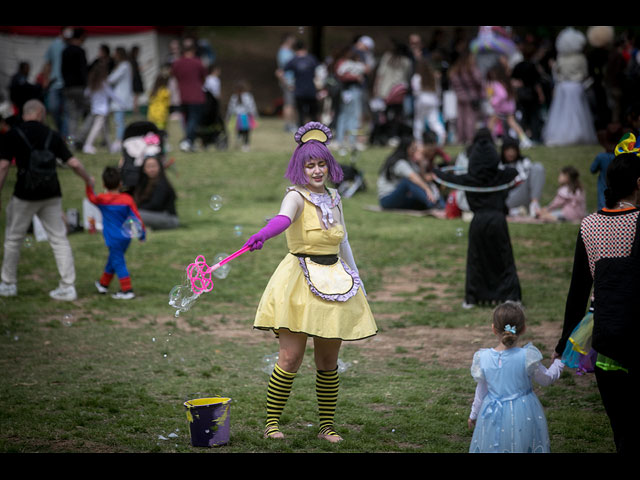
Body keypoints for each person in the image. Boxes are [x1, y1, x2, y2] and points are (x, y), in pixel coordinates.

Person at [243, 122, 377, 443]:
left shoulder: (334, 197)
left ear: (329, 166)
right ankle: (271, 423)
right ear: (300, 167)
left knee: (328, 361)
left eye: (321, 164)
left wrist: (357, 277)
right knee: (290, 359)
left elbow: (344, 242)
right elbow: (283, 219)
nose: (317, 171)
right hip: (299, 281)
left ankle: (326, 427)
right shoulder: (296, 196)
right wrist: (264, 233)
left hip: (336, 281)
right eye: (310, 164)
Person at [553, 139, 640, 453]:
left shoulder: (588, 225)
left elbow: (578, 290)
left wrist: (564, 341)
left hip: (602, 334)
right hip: (635, 329)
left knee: (622, 430)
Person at [0, 99, 92, 301]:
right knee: (59, 239)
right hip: (51, 193)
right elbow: (74, 163)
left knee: (13, 238)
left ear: (25, 113)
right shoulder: (52, 134)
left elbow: (4, 166)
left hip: (24, 193)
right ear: (41, 113)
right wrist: (88, 179)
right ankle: (68, 287)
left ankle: (8, 284)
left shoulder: (13, 134)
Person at [434, 128, 522, 308]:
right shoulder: (500, 176)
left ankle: (473, 298)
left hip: (478, 221)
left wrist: (435, 169)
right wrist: (500, 169)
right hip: (498, 220)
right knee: (504, 258)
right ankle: (511, 296)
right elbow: (514, 173)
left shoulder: (470, 178)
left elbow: (444, 176)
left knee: (476, 260)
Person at [468, 301, 564, 453]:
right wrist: (559, 362)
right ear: (524, 328)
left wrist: (474, 414)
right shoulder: (527, 356)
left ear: (493, 329)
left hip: (491, 413)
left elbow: (481, 391)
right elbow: (546, 379)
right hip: (523, 412)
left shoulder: (483, 357)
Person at [87, 166, 146, 300]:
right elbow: (136, 217)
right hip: (126, 237)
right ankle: (103, 284)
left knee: (118, 261)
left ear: (104, 184)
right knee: (113, 259)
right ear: (120, 184)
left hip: (112, 238)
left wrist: (89, 185)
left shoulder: (102, 199)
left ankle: (127, 290)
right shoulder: (127, 199)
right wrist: (142, 234)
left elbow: (91, 197)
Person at [542, 27, 598, 146]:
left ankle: (562, 135)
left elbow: (557, 73)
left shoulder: (560, 58)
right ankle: (578, 134)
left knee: (563, 112)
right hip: (576, 86)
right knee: (577, 112)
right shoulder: (580, 58)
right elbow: (584, 74)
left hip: (563, 87)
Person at [377, 134, 445, 212]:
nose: (415, 151)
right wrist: (427, 188)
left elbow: (421, 178)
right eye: (413, 148)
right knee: (408, 181)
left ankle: (441, 205)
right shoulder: (400, 162)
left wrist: (421, 163)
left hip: (401, 197)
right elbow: (413, 178)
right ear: (406, 148)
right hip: (387, 199)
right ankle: (433, 205)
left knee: (421, 199)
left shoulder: (409, 161)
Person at [171, 38, 207, 152]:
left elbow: (175, 76)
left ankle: (189, 141)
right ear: (193, 50)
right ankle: (188, 141)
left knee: (186, 119)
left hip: (182, 95)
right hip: (196, 95)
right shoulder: (197, 62)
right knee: (193, 119)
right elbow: (203, 77)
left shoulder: (177, 63)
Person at [485, 63, 533, 148]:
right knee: (512, 123)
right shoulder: (506, 82)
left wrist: (493, 102)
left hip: (501, 108)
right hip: (509, 107)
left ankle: (487, 140)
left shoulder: (497, 83)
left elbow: (502, 95)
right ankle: (524, 139)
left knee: (491, 123)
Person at [499, 137, 545, 217]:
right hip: (507, 197)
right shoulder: (499, 164)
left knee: (538, 167)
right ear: (503, 151)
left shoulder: (524, 161)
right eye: (508, 150)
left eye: (513, 150)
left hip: (526, 191)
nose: (511, 153)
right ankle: (516, 210)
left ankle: (534, 205)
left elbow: (530, 177)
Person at [447, 50, 485, 145]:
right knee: (470, 118)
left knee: (460, 118)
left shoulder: (455, 70)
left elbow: (452, 81)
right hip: (471, 97)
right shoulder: (471, 69)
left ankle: (460, 138)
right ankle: (469, 138)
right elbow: (479, 81)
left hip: (459, 97)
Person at [133, 155, 179, 230]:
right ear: (144, 169)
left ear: (160, 167)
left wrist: (135, 209)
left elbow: (155, 204)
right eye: (148, 166)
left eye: (154, 166)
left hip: (169, 219)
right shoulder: (143, 183)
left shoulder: (162, 184)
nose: (151, 169)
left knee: (136, 214)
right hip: (156, 216)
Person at [282, 41, 321, 127]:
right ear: (305, 48)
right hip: (311, 90)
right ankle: (315, 130)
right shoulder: (312, 59)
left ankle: (301, 132)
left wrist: (287, 84)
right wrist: (320, 86)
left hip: (299, 90)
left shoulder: (294, 60)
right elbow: (319, 73)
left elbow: (280, 72)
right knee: (313, 113)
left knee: (300, 113)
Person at [61, 27, 88, 148]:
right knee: (96, 111)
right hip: (79, 88)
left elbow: (62, 70)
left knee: (72, 118)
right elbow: (83, 71)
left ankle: (71, 143)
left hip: (67, 88)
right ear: (81, 37)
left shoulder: (65, 51)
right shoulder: (80, 51)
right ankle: (80, 136)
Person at [80, 62, 116, 154]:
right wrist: (123, 104)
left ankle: (110, 148)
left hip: (95, 109)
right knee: (96, 129)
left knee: (105, 130)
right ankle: (88, 145)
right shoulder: (103, 84)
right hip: (103, 110)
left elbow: (86, 94)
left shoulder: (92, 84)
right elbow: (112, 95)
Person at [411, 59, 446, 146]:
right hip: (433, 100)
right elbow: (438, 90)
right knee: (434, 120)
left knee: (419, 120)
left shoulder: (417, 77)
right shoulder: (433, 76)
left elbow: (415, 90)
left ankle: (419, 141)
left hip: (421, 100)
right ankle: (442, 135)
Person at [107, 47, 134, 154]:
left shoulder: (124, 66)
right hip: (120, 97)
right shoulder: (125, 65)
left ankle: (119, 141)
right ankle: (119, 141)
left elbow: (111, 79)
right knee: (119, 121)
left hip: (120, 98)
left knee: (119, 121)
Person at [591, 123, 622, 210]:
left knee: (603, 206)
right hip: (619, 188)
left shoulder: (601, 157)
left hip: (603, 187)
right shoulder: (621, 157)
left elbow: (592, 170)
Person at [225, 80, 258, 152]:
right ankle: (245, 145)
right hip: (246, 116)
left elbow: (230, 108)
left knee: (239, 130)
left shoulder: (234, 97)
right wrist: (254, 115)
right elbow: (251, 107)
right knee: (247, 132)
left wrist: (228, 117)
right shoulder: (248, 96)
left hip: (237, 117)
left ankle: (238, 138)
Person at [275, 33, 297, 133]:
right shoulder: (283, 52)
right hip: (288, 81)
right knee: (289, 104)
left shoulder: (289, 51)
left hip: (292, 81)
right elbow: (281, 71)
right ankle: (289, 125)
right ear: (288, 40)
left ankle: (291, 124)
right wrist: (286, 83)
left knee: (291, 104)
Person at [146, 68, 172, 142]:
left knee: (153, 131)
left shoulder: (152, 92)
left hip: (152, 115)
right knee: (161, 132)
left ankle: (153, 143)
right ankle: (161, 145)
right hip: (161, 115)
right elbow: (168, 104)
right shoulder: (165, 92)